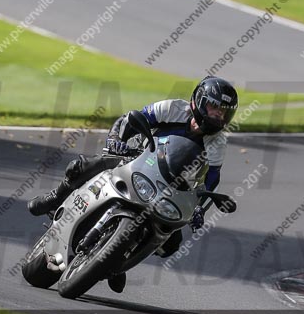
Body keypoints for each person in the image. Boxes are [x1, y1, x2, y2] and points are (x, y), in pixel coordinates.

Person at [28, 76, 238, 293]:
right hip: (136, 157)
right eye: (214, 107)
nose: (218, 115)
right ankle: (56, 196)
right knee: (81, 166)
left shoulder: (218, 143)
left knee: (171, 244)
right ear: (199, 101)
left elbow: (211, 179)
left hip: (171, 187)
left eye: (223, 112)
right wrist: (116, 141)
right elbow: (132, 118)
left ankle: (117, 259)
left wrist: (199, 208)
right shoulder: (173, 108)